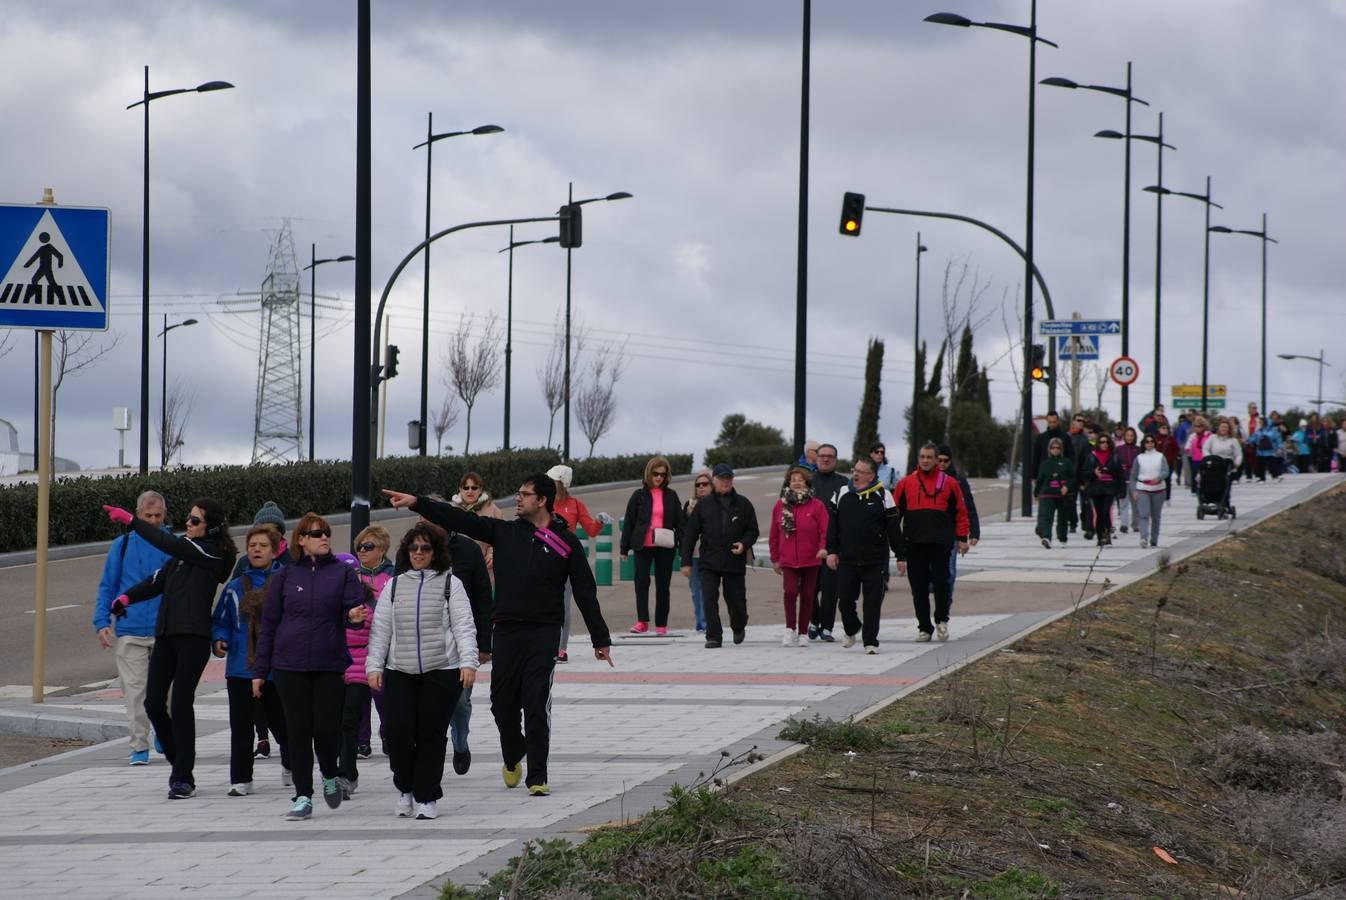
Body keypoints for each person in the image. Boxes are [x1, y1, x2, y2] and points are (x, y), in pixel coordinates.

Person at [383, 476, 614, 797]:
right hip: (505, 630)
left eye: (524, 495)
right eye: (517, 493)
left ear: (543, 500)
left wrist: (599, 639)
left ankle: (538, 774)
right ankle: (513, 752)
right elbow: (460, 519)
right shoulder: (503, 532)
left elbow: (586, 592)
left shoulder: (566, 543)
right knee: (501, 705)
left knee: (536, 702)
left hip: (544, 632)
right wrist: (417, 502)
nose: (517, 499)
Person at [102, 498, 237, 799]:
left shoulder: (210, 553)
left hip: (193, 638)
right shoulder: (182, 556)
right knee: (152, 704)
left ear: (211, 527)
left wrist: (131, 521)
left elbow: (167, 542)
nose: (187, 524)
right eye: (187, 518)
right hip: (166, 636)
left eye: (194, 520)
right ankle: (180, 764)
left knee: (180, 704)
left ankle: (183, 777)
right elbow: (155, 581)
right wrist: (125, 599)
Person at [252, 513, 368, 821]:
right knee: (298, 731)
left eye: (327, 533)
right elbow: (269, 625)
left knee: (326, 728)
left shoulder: (342, 573)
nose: (324, 537)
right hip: (288, 665)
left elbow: (355, 604)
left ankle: (330, 773)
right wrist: (259, 672)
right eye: (317, 533)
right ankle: (303, 795)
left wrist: (354, 614)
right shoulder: (285, 576)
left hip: (328, 663)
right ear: (301, 540)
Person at [365, 523, 478, 820]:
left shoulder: (450, 584)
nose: (418, 553)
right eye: (413, 547)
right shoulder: (394, 585)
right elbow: (380, 631)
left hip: (441, 670)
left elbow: (464, 626)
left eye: (425, 548)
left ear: (435, 552)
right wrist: (374, 666)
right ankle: (405, 787)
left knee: (431, 735)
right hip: (399, 670)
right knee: (397, 731)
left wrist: (468, 663)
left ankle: (427, 796)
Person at [92, 490, 171, 766]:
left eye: (157, 516)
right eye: (147, 516)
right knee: (135, 692)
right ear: (137, 515)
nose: (152, 521)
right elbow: (107, 586)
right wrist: (102, 622)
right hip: (130, 630)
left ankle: (165, 732)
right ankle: (139, 745)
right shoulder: (122, 545)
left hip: (166, 630)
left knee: (167, 692)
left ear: (164, 516)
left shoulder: (172, 544)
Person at [416, 501, 494, 777]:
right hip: (423, 640)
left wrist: (485, 644)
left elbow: (484, 598)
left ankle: (460, 742)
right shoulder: (414, 550)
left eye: (430, 519)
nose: (423, 525)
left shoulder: (468, 549)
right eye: (421, 519)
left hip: (462, 640)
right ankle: (431, 750)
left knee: (460, 702)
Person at [212, 525, 289, 796]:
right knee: (241, 726)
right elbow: (221, 620)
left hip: (274, 668)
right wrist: (220, 639)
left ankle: (291, 764)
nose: (256, 549)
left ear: (275, 550)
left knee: (282, 722)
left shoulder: (285, 582)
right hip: (240, 668)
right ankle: (241, 779)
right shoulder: (235, 587)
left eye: (263, 545)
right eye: (252, 545)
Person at [892, 443, 970, 642]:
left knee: (942, 583)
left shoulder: (950, 483)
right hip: (914, 542)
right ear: (918, 459)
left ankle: (942, 620)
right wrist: (895, 543)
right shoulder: (905, 483)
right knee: (918, 587)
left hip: (941, 542)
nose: (925, 460)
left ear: (937, 460)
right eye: (922, 457)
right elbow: (893, 515)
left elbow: (961, 512)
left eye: (929, 457)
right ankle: (924, 627)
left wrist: (962, 539)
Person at [826, 458, 902, 653]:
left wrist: (901, 555)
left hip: (874, 560)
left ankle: (870, 641)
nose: (856, 473)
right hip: (847, 559)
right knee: (844, 599)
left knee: (872, 602)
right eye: (855, 469)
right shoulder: (842, 493)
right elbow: (832, 526)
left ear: (871, 475)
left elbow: (893, 529)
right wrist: (831, 551)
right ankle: (852, 628)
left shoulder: (883, 495)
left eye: (861, 471)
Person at [680, 463, 760, 649]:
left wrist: (744, 544)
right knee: (709, 597)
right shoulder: (703, 505)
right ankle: (714, 636)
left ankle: (738, 626)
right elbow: (690, 535)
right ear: (714, 480)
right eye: (722, 479)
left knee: (736, 601)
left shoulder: (744, 503)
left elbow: (753, 530)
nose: (725, 482)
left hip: (734, 560)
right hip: (709, 560)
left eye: (728, 479)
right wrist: (685, 562)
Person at [237, 501, 290, 759]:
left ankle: (288, 749)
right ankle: (262, 738)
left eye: (272, 531)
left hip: (278, 643)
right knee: (254, 693)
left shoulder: (289, 564)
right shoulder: (244, 565)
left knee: (277, 702)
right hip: (249, 640)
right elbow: (234, 593)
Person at [546, 464, 609, 662]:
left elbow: (590, 530)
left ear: (561, 483)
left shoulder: (575, 505)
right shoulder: (543, 502)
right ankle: (544, 644)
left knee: (563, 605)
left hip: (565, 561)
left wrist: (599, 521)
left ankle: (560, 649)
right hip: (543, 557)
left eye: (552, 481)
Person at [620, 456, 683, 636]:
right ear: (649, 473)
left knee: (663, 585)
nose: (659, 478)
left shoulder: (671, 496)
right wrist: (624, 549)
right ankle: (642, 622)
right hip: (642, 545)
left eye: (663, 475)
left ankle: (661, 624)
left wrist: (684, 548)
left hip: (665, 545)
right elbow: (630, 522)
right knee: (641, 583)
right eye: (655, 474)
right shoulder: (638, 496)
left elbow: (680, 523)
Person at [769, 466, 828, 646]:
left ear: (806, 483)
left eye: (800, 480)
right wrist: (775, 558)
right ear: (788, 483)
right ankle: (790, 629)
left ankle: (803, 632)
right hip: (788, 560)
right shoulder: (780, 505)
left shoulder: (816, 505)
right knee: (790, 592)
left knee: (808, 595)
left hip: (811, 559)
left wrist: (823, 548)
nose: (796, 483)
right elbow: (773, 534)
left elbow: (825, 530)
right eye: (793, 479)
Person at [352, 525, 394, 757]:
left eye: (368, 546)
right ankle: (362, 740)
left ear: (382, 549)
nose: (362, 551)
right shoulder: (352, 576)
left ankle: (388, 731)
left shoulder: (392, 575)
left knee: (382, 693)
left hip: (385, 643)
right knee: (360, 694)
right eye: (359, 546)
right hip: (358, 642)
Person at [807, 443, 848, 642]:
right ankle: (814, 620)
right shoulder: (807, 482)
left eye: (830, 456)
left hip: (833, 545)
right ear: (816, 458)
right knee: (810, 587)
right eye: (822, 455)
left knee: (831, 589)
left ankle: (827, 628)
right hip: (809, 545)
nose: (825, 459)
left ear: (835, 459)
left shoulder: (844, 484)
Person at [934, 446, 979, 602]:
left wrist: (974, 531)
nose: (942, 464)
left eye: (945, 461)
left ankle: (946, 599)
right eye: (939, 460)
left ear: (950, 461)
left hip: (951, 532)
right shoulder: (926, 478)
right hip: (931, 531)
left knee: (950, 570)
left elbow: (969, 506)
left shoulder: (958, 480)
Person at [451, 472, 503, 576]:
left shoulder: (493, 509)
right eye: (466, 488)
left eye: (474, 488)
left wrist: (492, 552)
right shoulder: (451, 509)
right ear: (460, 489)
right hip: (458, 566)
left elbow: (502, 537)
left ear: (480, 490)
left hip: (486, 568)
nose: (470, 491)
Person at [682, 469, 712, 632]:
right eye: (698, 485)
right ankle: (700, 621)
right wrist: (689, 515)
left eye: (705, 484)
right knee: (695, 590)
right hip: (693, 554)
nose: (701, 487)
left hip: (710, 553)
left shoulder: (716, 503)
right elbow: (683, 530)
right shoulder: (690, 504)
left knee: (707, 589)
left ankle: (706, 622)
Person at [1081, 434, 1124, 546]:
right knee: (1099, 513)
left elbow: (1120, 474)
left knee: (1106, 511)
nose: (1104, 444)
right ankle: (1100, 537)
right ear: (1098, 444)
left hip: (1110, 488)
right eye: (1101, 442)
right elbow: (1084, 473)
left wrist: (1121, 489)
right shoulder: (1091, 456)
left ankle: (1107, 536)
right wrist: (1094, 473)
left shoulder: (1114, 457)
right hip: (1096, 488)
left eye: (1106, 442)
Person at [1129, 433, 1171, 549]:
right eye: (1147, 441)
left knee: (1156, 516)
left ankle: (1154, 540)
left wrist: (1158, 478)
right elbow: (1133, 476)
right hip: (1143, 489)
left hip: (1158, 490)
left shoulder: (1160, 456)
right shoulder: (1139, 458)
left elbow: (1165, 471)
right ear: (1143, 443)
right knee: (1144, 514)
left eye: (1151, 441)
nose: (1149, 444)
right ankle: (1144, 538)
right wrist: (1134, 490)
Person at [1033, 437, 1074, 549]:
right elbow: (1040, 479)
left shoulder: (1067, 462)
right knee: (1047, 517)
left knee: (1063, 518)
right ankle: (1046, 538)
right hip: (1047, 494)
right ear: (1049, 449)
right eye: (1053, 447)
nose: (1055, 450)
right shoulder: (1045, 463)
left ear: (1061, 449)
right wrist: (1036, 493)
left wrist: (1067, 487)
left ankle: (1062, 538)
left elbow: (1073, 477)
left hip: (1062, 495)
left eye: (1058, 448)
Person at [1203, 419, 1245, 508]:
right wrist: (1208, 457)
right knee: (1210, 482)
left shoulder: (1233, 440)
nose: (1224, 429)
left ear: (1229, 429)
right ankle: (1210, 500)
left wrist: (1237, 463)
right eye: (1222, 427)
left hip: (1227, 464)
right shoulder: (1212, 438)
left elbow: (1238, 454)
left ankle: (1225, 504)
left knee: (1226, 484)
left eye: (1226, 427)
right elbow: (1205, 448)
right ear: (1218, 428)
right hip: (1214, 463)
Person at [1115, 428, 1141, 534]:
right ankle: (1124, 524)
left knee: (1136, 504)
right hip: (1123, 480)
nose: (1129, 437)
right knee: (1123, 504)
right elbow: (1116, 464)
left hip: (1135, 481)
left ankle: (1136, 524)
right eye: (1128, 435)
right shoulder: (1119, 449)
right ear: (1124, 436)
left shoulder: (1138, 449)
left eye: (1131, 435)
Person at [1184, 416, 1211, 495]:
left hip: (1205, 458)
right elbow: (1188, 443)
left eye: (1200, 426)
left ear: (1204, 426)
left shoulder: (1208, 435)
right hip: (1195, 458)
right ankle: (1194, 490)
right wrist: (1187, 448)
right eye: (1195, 426)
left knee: (1205, 474)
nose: (1197, 428)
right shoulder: (1193, 436)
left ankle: (1205, 488)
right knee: (1195, 473)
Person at [1252, 415, 1284, 482]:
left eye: (1261, 421)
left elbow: (1278, 439)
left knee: (1272, 465)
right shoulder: (1258, 431)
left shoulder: (1273, 431)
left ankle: (1275, 477)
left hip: (1271, 452)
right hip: (1260, 452)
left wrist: (1279, 448)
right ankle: (1261, 478)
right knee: (1261, 466)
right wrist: (1247, 441)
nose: (1260, 423)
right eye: (1259, 421)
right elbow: (1253, 438)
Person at [1154, 421, 1180, 500]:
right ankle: (1158, 496)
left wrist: (1173, 458)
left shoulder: (1171, 439)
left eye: (1166, 428)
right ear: (1159, 429)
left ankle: (1167, 497)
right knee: (1158, 480)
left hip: (1169, 463)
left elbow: (1176, 449)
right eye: (1163, 428)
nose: (1165, 429)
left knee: (1167, 480)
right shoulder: (1155, 438)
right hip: (1158, 463)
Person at [1033, 411, 1064, 476]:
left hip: (1061, 475)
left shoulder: (1065, 437)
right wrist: (1034, 475)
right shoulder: (1041, 438)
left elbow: (1071, 456)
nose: (1052, 424)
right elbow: (1036, 457)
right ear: (1047, 422)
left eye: (1054, 422)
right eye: (1050, 422)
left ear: (1058, 422)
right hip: (1044, 475)